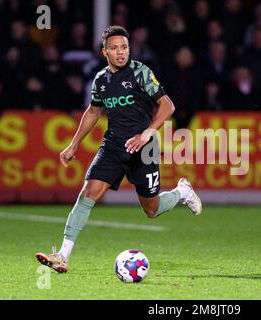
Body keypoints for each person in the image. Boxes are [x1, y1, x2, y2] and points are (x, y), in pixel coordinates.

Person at [36, 26, 202, 273]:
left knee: (151, 209)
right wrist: (74, 144)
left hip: (144, 148)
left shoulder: (140, 73)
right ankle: (62, 255)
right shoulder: (101, 80)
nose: (121, 52)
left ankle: (181, 192)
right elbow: (93, 112)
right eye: (114, 48)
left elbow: (167, 105)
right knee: (88, 192)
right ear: (105, 52)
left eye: (124, 47)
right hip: (113, 145)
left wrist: (147, 132)